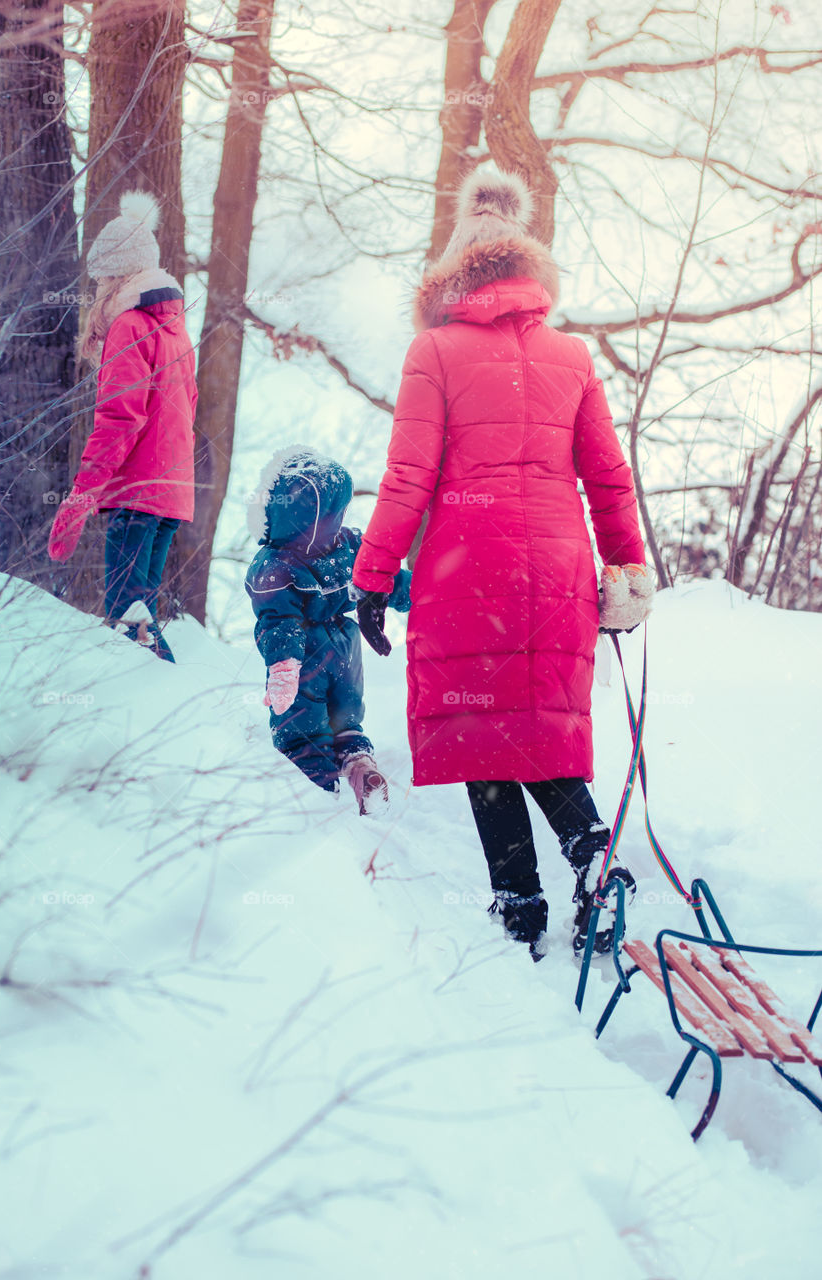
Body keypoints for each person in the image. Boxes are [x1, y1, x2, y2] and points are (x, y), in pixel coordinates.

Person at [352, 167, 653, 959]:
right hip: (556, 570)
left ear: (454, 279)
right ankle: (589, 853)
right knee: (538, 724)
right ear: (525, 277)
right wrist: (625, 572)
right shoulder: (572, 356)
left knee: (480, 723)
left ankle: (518, 904)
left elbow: (409, 475)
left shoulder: (435, 350)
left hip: (465, 569)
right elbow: (608, 476)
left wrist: (374, 577)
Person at [47, 191, 197, 663]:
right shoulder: (174, 329)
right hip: (169, 494)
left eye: (103, 277)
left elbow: (120, 417)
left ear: (121, 274)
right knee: (140, 619)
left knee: (126, 625)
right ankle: (168, 693)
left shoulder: (130, 326)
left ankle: (153, 704)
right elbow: (186, 408)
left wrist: (82, 494)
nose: (98, 288)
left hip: (136, 495)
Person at [245, 447, 411, 815]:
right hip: (346, 648)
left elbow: (279, 622)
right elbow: (385, 579)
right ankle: (359, 765)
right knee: (346, 722)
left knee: (303, 733)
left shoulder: (274, 564)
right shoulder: (349, 546)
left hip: (307, 657)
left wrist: (284, 667)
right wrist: (421, 596)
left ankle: (323, 796)